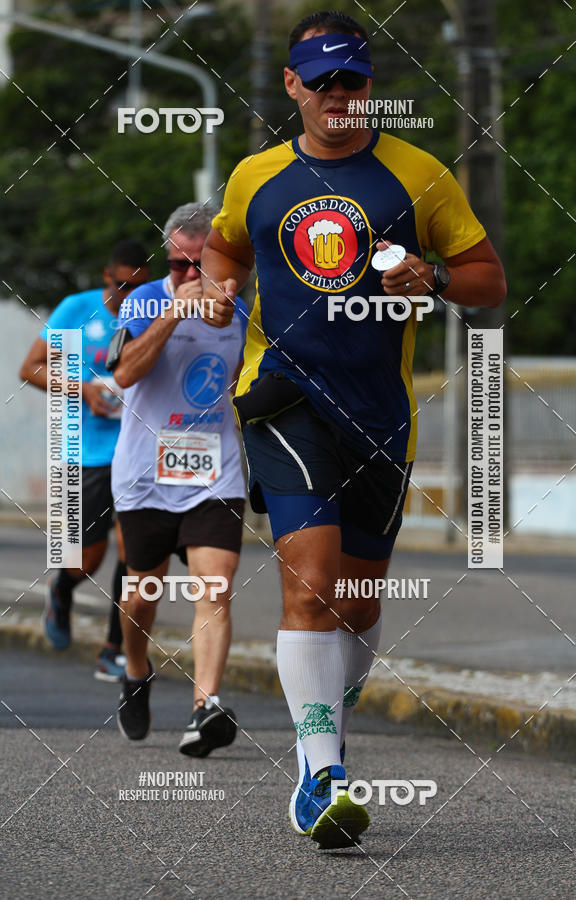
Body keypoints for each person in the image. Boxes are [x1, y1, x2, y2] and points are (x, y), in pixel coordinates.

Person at [200, 9, 506, 848]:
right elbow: (225, 248)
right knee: (312, 583)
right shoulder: (256, 176)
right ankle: (319, 775)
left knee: (359, 604)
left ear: (371, 87)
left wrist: (433, 276)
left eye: (354, 80)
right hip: (283, 397)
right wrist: (220, 290)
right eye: (322, 80)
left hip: (378, 411)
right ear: (293, 86)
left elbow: (487, 279)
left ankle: (327, 702)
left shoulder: (419, 176)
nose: (340, 94)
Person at [111, 202, 247, 756]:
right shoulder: (144, 300)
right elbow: (123, 372)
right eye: (178, 265)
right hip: (145, 472)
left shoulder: (245, 309)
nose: (190, 276)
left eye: (201, 266)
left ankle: (202, 709)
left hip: (214, 470)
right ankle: (136, 670)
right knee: (142, 593)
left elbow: (244, 381)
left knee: (213, 589)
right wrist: (174, 313)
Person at [19, 239, 150, 680]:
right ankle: (63, 588)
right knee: (86, 559)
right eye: (121, 287)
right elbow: (31, 368)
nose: (129, 297)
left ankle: (112, 649)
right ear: (105, 277)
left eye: (139, 287)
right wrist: (85, 390)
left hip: (138, 452)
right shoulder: (77, 310)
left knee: (136, 555)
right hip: (84, 449)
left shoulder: (152, 312)